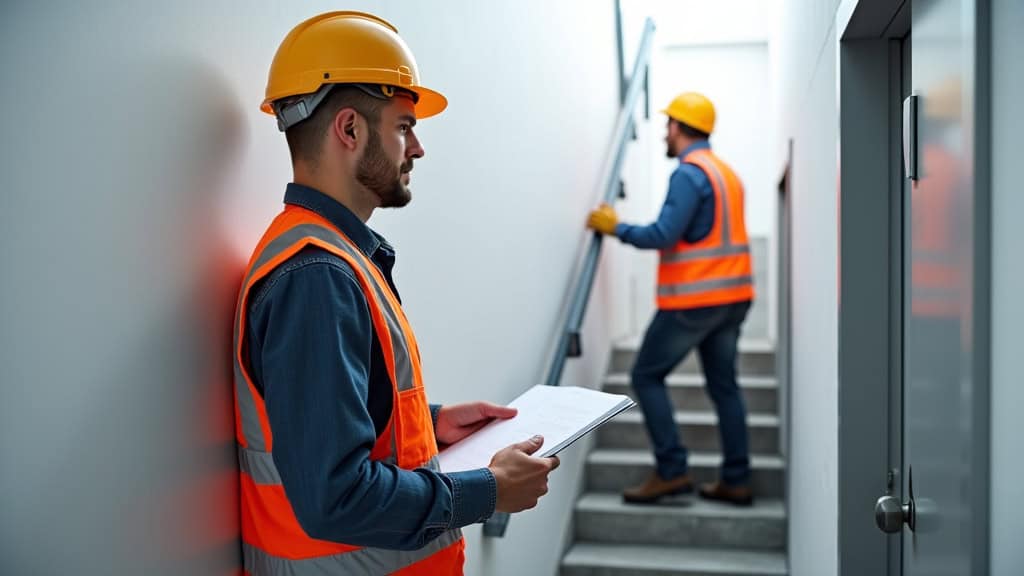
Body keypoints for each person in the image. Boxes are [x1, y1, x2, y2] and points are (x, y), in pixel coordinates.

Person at [233, 12, 559, 575]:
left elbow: (329, 425)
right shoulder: (316, 277)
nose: (418, 148)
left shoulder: (334, 259)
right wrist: (487, 491)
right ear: (351, 130)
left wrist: (430, 425)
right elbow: (335, 496)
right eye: (404, 126)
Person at [586, 92, 755, 506]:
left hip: (694, 301)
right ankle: (736, 479)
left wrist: (615, 227)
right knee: (724, 387)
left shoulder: (688, 174)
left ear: (678, 127)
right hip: (734, 296)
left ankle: (672, 470)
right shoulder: (725, 173)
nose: (665, 133)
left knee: (645, 376)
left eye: (667, 126)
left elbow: (662, 235)